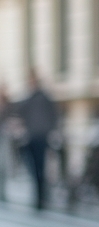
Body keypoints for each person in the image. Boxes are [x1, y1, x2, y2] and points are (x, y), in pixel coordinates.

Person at [12, 71, 59, 210]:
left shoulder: (42, 98)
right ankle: (40, 196)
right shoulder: (31, 98)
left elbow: (53, 116)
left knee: (39, 167)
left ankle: (41, 196)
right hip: (33, 137)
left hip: (39, 137)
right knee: (36, 167)